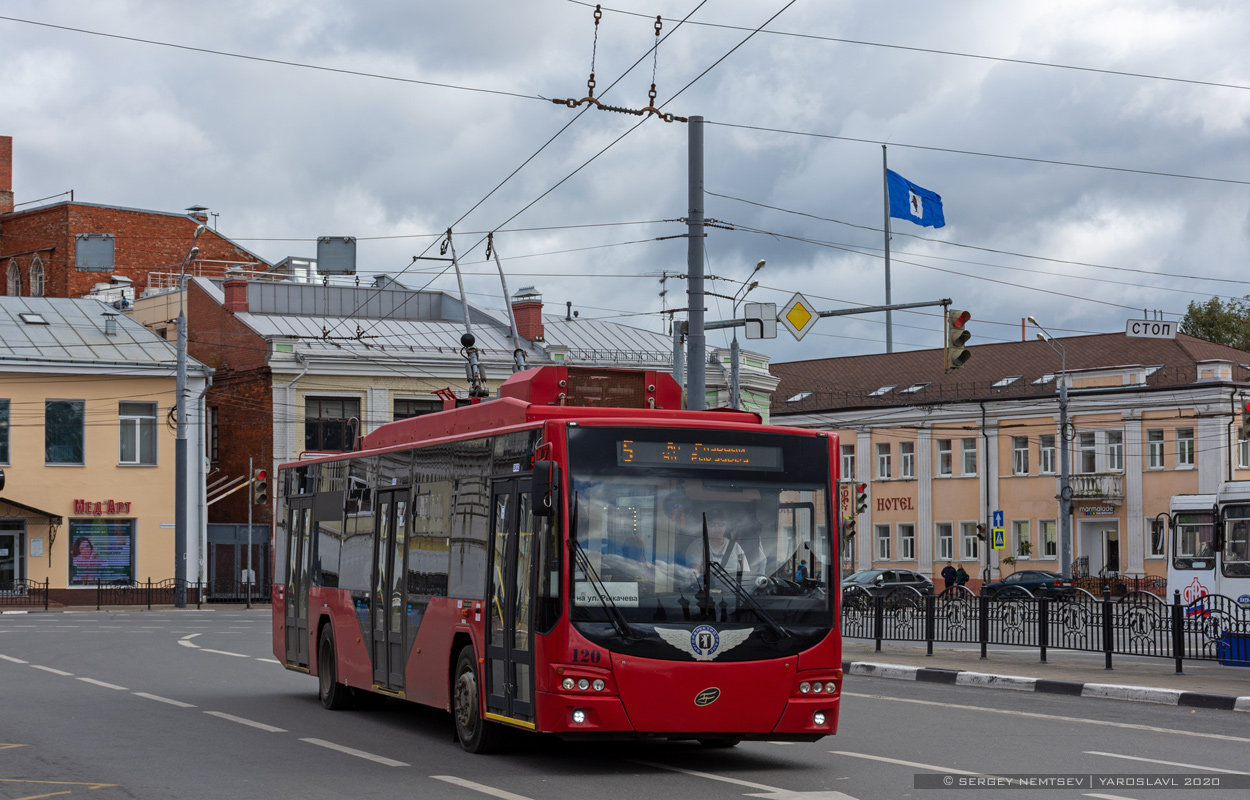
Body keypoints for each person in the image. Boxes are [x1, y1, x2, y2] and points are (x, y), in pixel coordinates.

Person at [685, 508, 748, 575]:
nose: (717, 528)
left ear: (725, 525)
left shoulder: (736, 547)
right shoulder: (697, 546)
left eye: (721, 524)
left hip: (732, 582)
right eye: (712, 525)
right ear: (705, 526)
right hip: (707, 582)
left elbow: (745, 574)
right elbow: (694, 575)